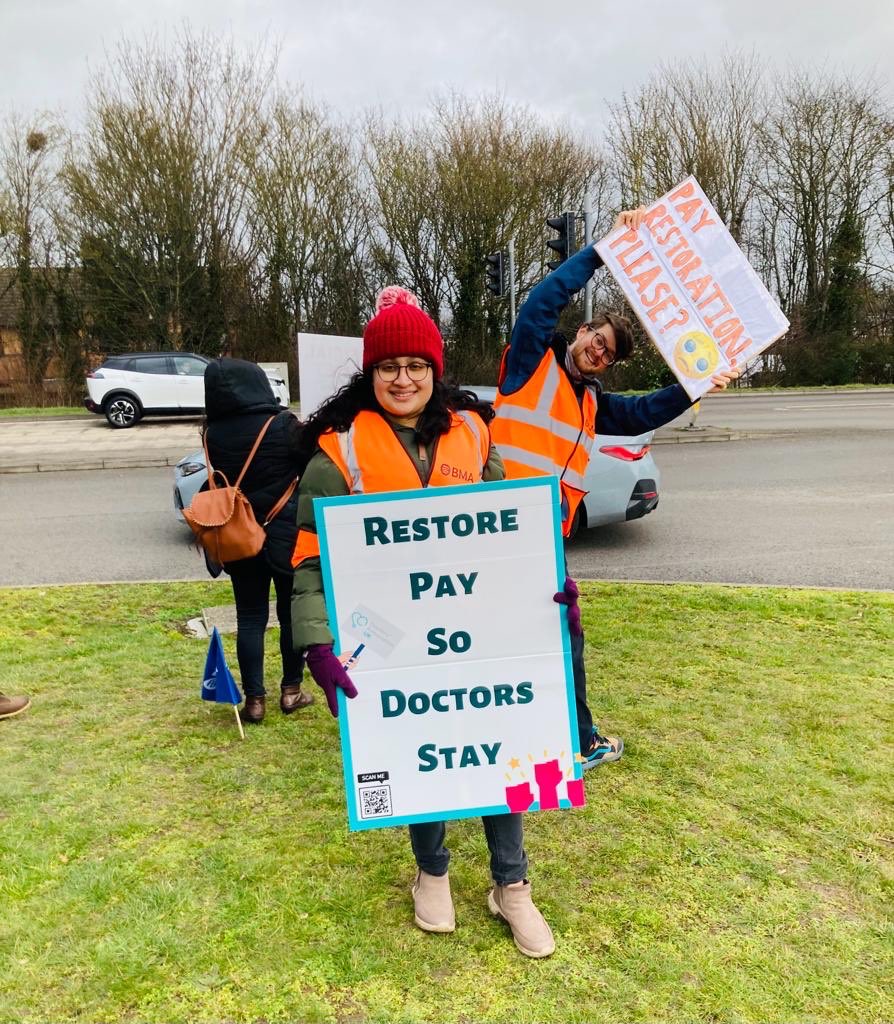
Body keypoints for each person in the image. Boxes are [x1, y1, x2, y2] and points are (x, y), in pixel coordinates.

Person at [290, 287, 557, 958]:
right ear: (369, 373)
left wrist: (553, 586)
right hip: (386, 633)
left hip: (479, 625)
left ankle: (511, 885)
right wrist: (318, 644)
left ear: (436, 371)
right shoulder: (337, 454)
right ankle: (431, 871)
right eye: (388, 366)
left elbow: (513, 534)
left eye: (415, 364)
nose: (402, 378)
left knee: (500, 745)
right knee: (417, 750)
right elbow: (307, 563)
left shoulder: (474, 431)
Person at [492, 207, 739, 770]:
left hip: (541, 542)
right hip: (499, 529)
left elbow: (645, 410)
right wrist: (605, 251)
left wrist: (697, 384)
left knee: (550, 637)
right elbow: (542, 302)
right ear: (580, 332)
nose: (598, 352)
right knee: (555, 638)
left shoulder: (590, 401)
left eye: (608, 353)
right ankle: (575, 739)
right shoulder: (533, 361)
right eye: (596, 339)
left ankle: (549, 735)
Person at [202, 357, 311, 725]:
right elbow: (308, 465)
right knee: (290, 615)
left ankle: (254, 701)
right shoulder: (282, 425)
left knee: (250, 617)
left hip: (239, 535)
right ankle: (291, 691)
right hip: (285, 532)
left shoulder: (210, 433)